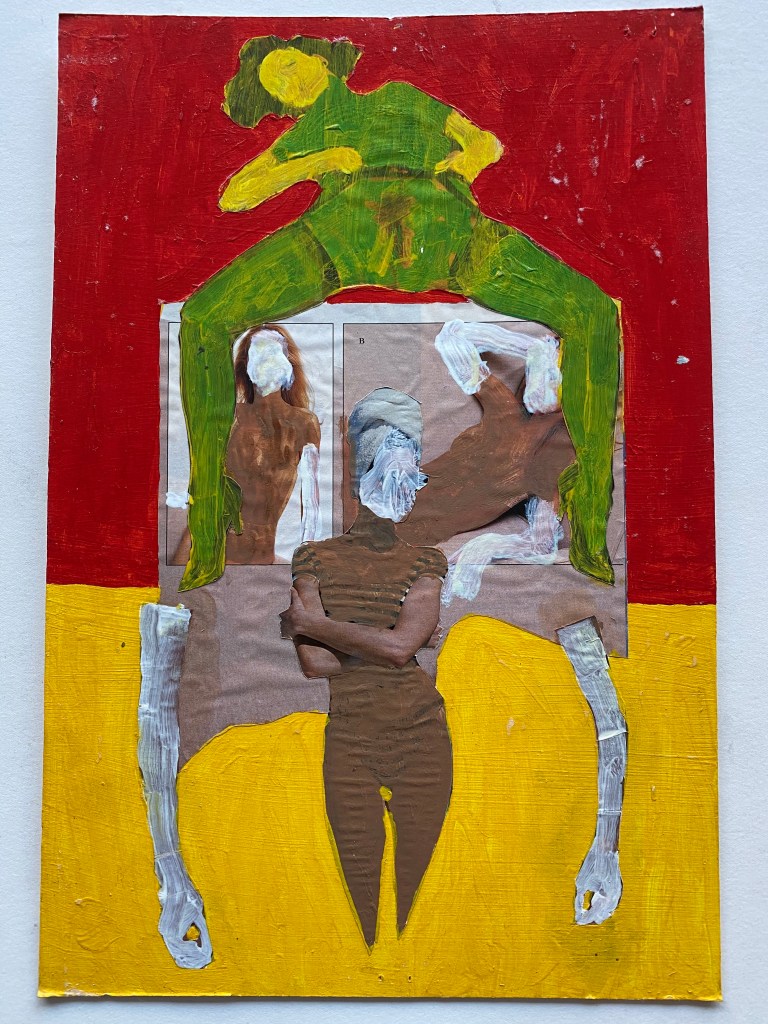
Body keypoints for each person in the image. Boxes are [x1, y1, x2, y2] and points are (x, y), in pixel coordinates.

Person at [179, 35, 620, 592]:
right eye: (278, 87)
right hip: (341, 243)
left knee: (592, 311)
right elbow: (236, 194)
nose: (290, 84)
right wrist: (321, 160)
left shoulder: (398, 98)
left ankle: (590, 503)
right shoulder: (306, 136)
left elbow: (483, 142)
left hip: (451, 237)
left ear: (321, 59)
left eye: (289, 65)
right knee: (203, 318)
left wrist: (460, 166)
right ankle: (211, 508)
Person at [279, 389, 452, 947]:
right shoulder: (314, 556)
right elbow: (316, 664)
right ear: (361, 474)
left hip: (421, 736)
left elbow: (400, 649)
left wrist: (310, 622)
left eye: (409, 471)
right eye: (386, 467)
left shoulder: (426, 560)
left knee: (418, 899)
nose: (402, 484)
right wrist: (366, 639)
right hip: (350, 739)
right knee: (361, 900)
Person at [173, 324, 322, 565]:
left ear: (288, 362)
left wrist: (307, 564)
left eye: (272, 352)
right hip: (214, 554)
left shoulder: (304, 423)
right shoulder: (230, 416)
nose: (266, 361)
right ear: (246, 365)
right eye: (257, 353)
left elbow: (311, 504)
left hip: (262, 560)